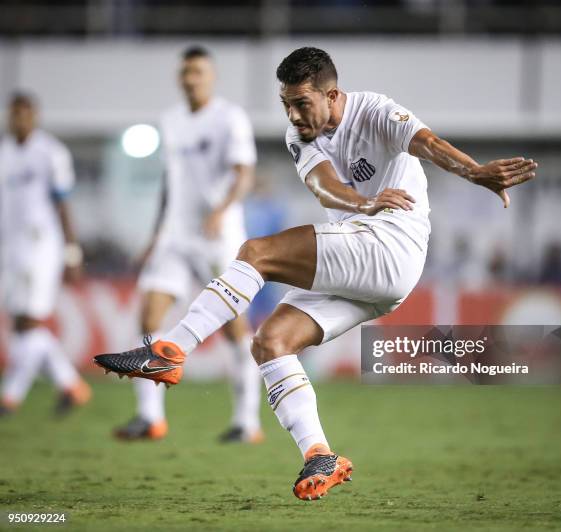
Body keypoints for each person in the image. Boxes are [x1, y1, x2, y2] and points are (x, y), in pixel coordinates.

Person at [95, 47, 537, 499]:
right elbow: (322, 184)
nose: (293, 113)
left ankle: (172, 349)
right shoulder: (300, 134)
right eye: (286, 102)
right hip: (369, 269)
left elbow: (426, 142)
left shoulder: (377, 111)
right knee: (271, 343)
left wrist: (475, 171)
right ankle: (319, 455)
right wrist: (362, 201)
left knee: (257, 253)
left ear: (332, 95)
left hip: (389, 246)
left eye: (301, 103)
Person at [113, 46, 264, 443]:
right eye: (185, 72)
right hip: (176, 238)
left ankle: (247, 422)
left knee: (234, 330)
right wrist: (154, 235)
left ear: (211, 76)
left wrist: (222, 209)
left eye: (197, 71)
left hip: (218, 238)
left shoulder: (229, 118)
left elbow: (244, 173)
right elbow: (170, 182)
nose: (191, 78)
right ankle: (150, 417)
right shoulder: (171, 120)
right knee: (148, 318)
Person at [0, 92, 91, 417]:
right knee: (21, 323)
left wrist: (71, 251)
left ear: (35, 116)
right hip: (10, 248)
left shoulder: (50, 152)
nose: (18, 119)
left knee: (30, 321)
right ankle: (71, 385)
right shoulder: (5, 154)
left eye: (24, 114)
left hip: (41, 246)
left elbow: (63, 204)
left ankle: (10, 395)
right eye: (14, 114)